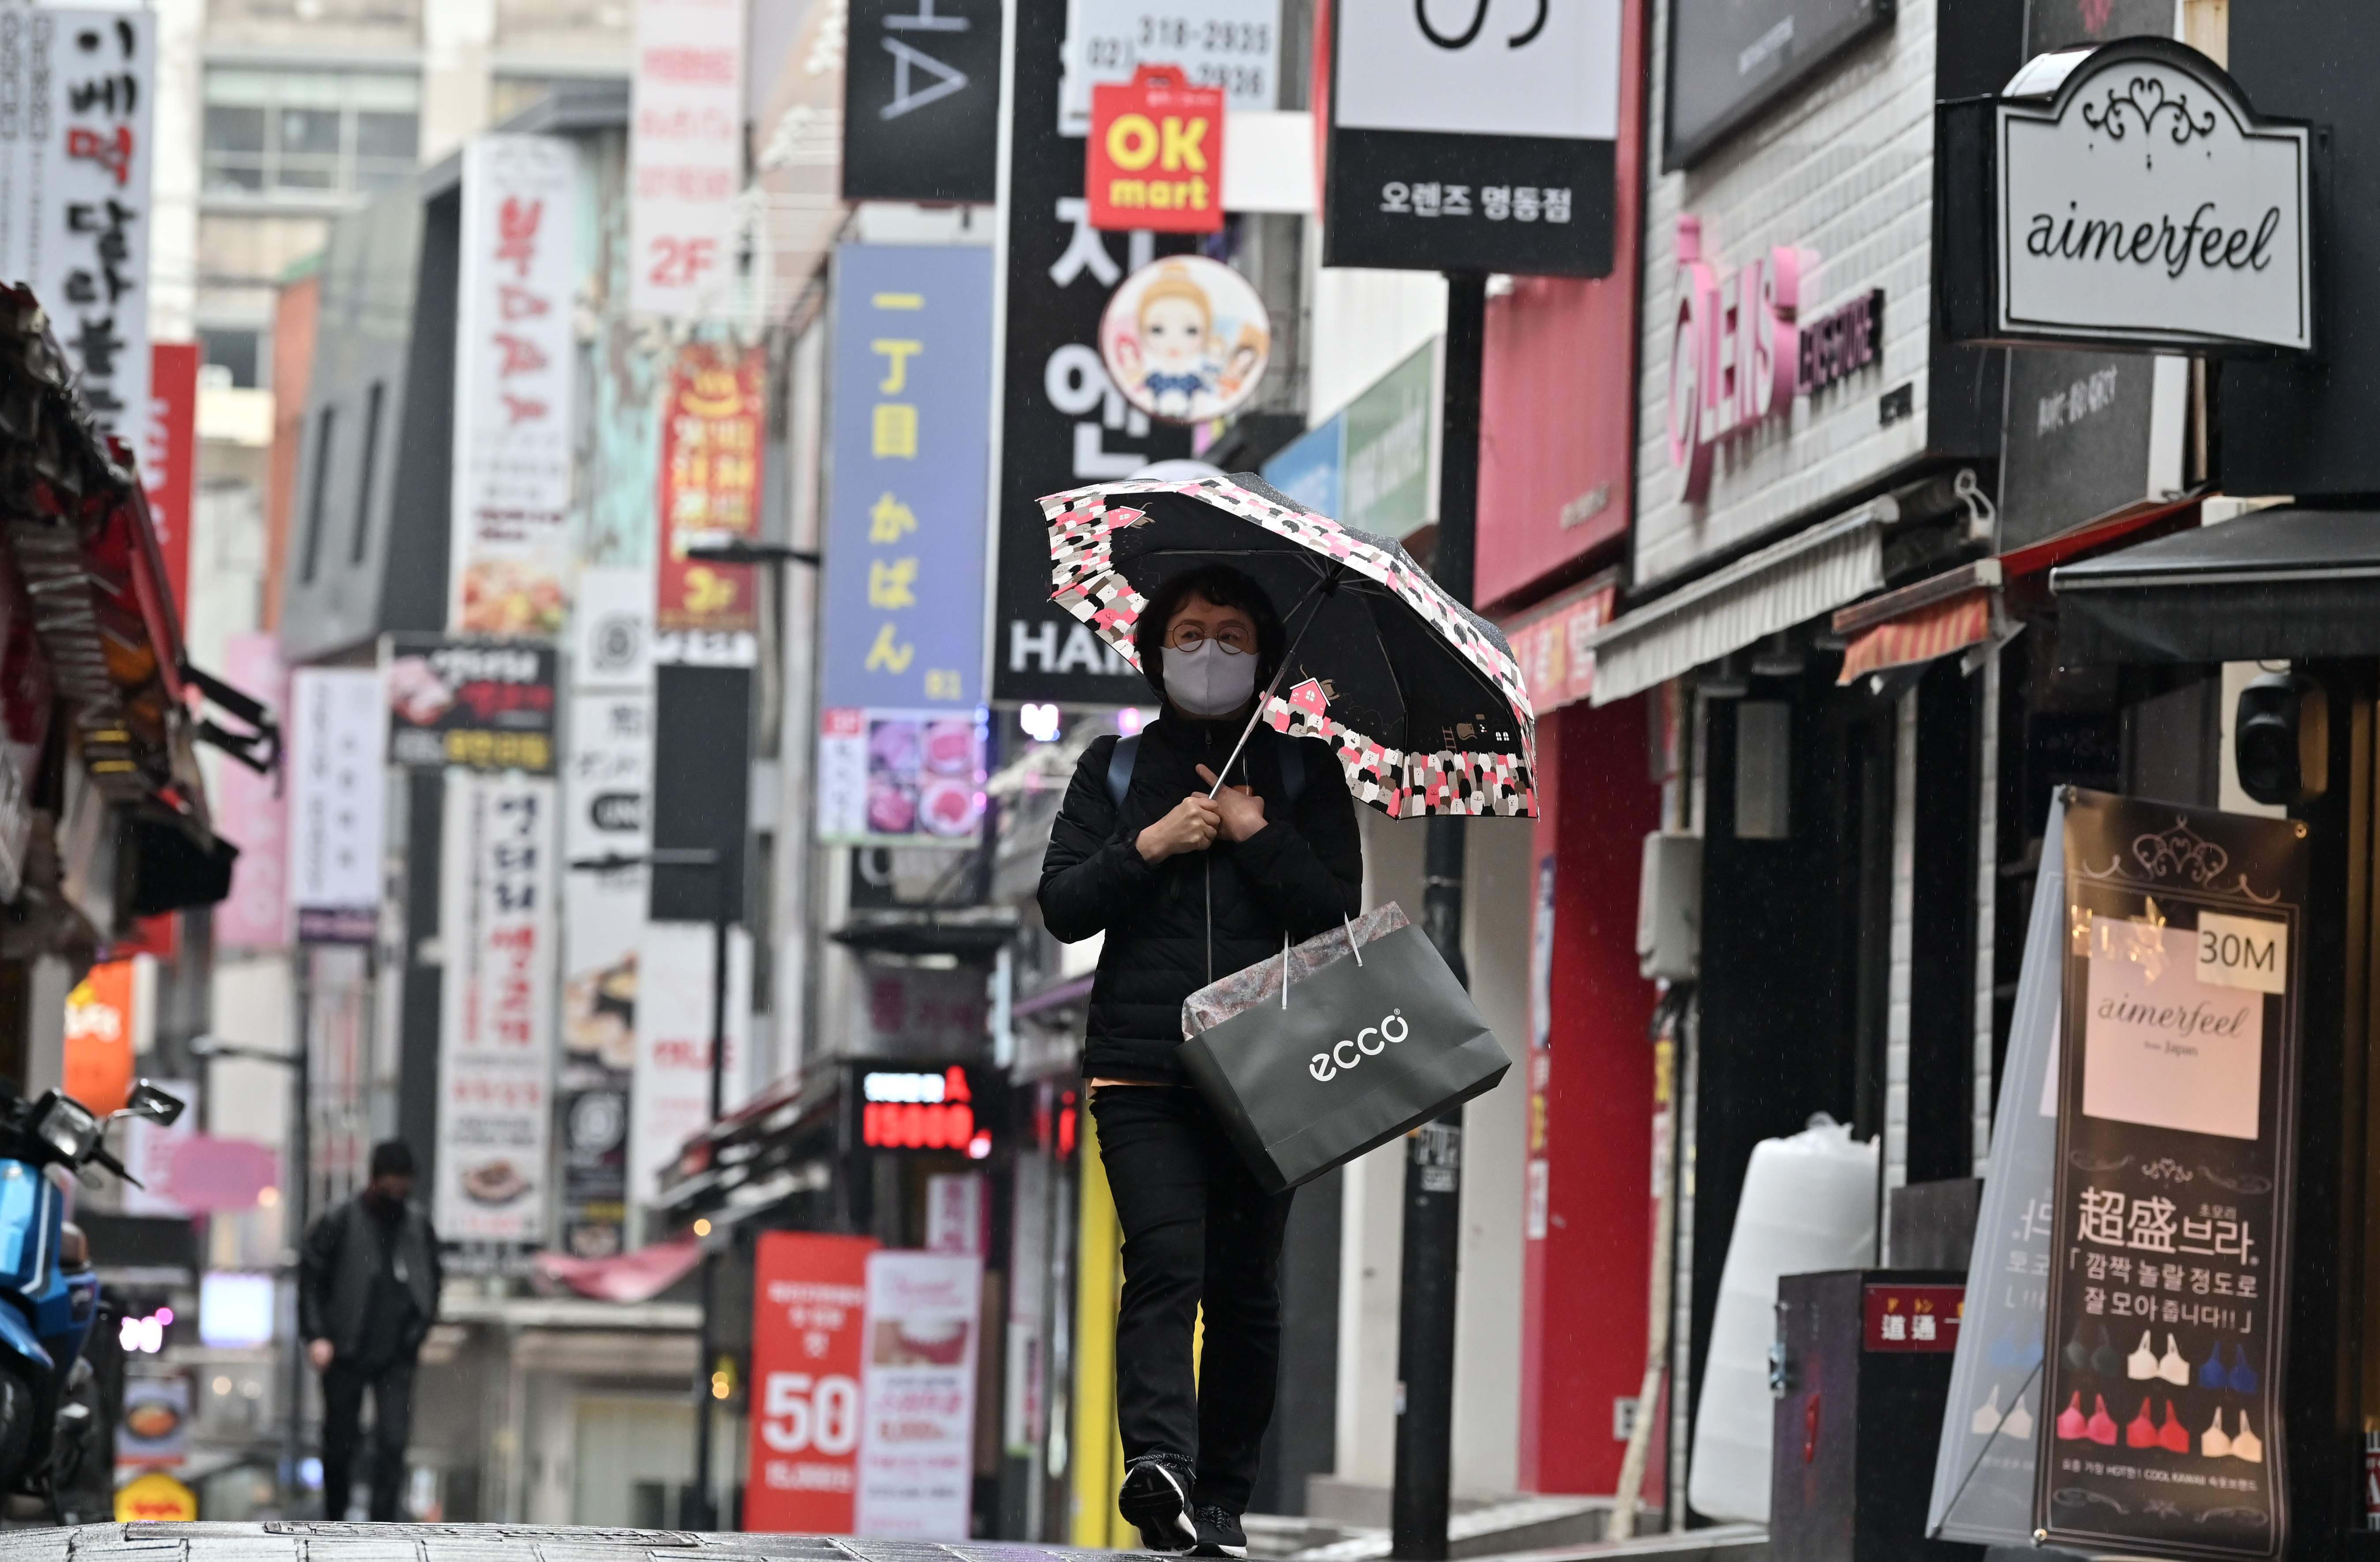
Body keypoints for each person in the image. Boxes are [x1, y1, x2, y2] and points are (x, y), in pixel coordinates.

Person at [1039, 565, 1362, 1557]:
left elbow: (1334, 907)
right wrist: (1151, 845)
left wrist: (1259, 835)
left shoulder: (1305, 773)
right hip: (1145, 1070)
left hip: (1271, 1067)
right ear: (1156, 651)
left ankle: (1221, 1497)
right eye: (1189, 632)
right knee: (1166, 1262)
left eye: (1230, 634)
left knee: (1248, 1288)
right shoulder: (1117, 771)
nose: (1209, 651)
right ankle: (1161, 1467)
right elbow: (1063, 904)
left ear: (1263, 655)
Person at [298, 1139, 442, 1521]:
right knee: (341, 1443)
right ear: (375, 1179)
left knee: (393, 1444)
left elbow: (432, 1281)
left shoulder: (416, 1227)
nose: (398, 1192)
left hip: (397, 1352)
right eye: (392, 1183)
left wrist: (419, 1328)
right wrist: (317, 1335)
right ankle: (335, 1520)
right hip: (345, 1348)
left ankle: (383, 1527)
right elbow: (311, 1279)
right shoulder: (340, 1220)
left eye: (403, 1184)